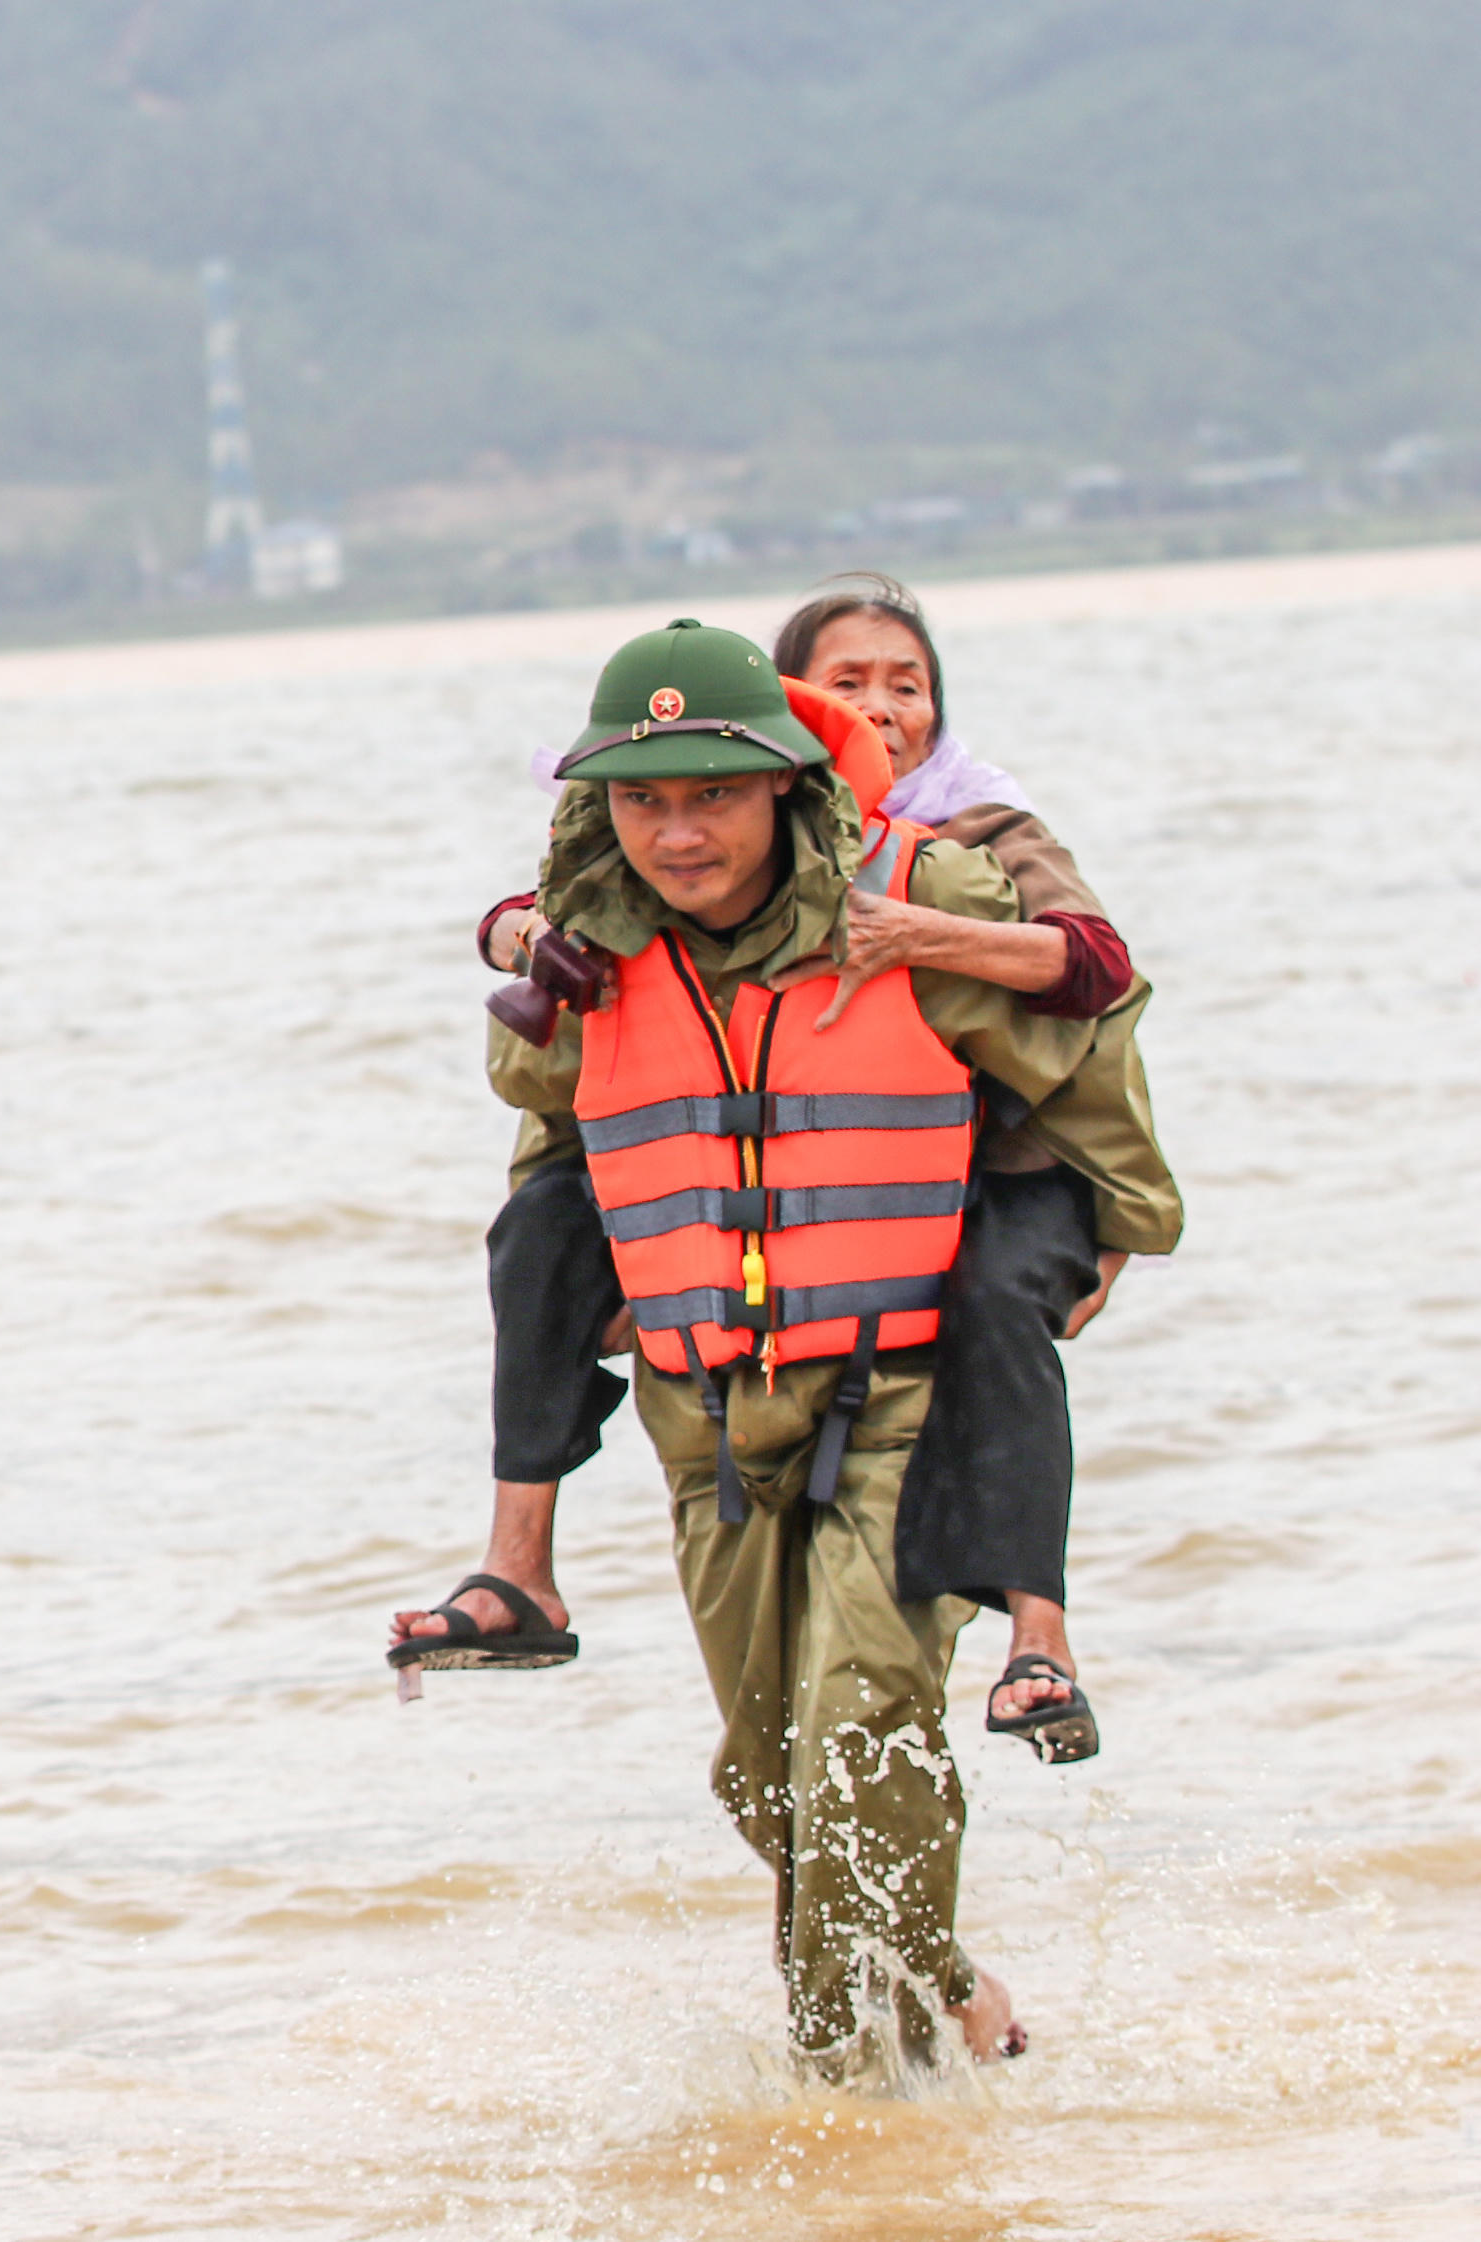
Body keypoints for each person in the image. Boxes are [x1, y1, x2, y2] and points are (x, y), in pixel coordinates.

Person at [434, 618, 1178, 2069]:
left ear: (783, 782)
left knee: (860, 1740)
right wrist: (590, 1288)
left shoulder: (921, 900)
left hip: (898, 1391)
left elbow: (1091, 1017)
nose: (678, 830)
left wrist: (1109, 1235)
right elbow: (558, 1143)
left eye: (711, 792)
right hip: (704, 1417)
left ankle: (849, 2105)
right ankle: (943, 2004)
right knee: (772, 1778)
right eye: (644, 799)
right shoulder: (590, 953)